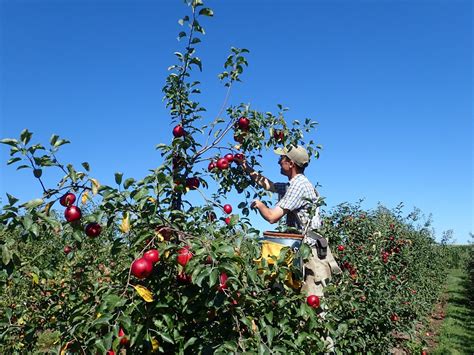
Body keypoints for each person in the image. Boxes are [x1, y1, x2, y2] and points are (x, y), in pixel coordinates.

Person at [235, 145, 341, 297]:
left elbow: (272, 217)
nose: (279, 161)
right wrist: (245, 165)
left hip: (311, 255)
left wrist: (259, 204)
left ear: (290, 163)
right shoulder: (294, 184)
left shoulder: (298, 186)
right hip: (303, 252)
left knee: (313, 304)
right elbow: (268, 185)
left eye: (281, 158)